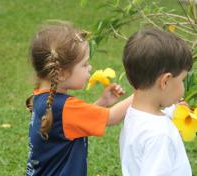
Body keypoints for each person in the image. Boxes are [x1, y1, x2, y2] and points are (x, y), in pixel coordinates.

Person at [25, 21, 133, 176]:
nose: (90, 68)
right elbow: (112, 117)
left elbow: (70, 125)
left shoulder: (42, 97)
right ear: (61, 73)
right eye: (84, 64)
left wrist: (102, 102)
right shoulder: (63, 107)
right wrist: (145, 92)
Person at [119, 28, 193, 176]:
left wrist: (175, 111)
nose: (183, 86)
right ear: (165, 81)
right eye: (182, 80)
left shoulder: (135, 113)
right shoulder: (160, 135)